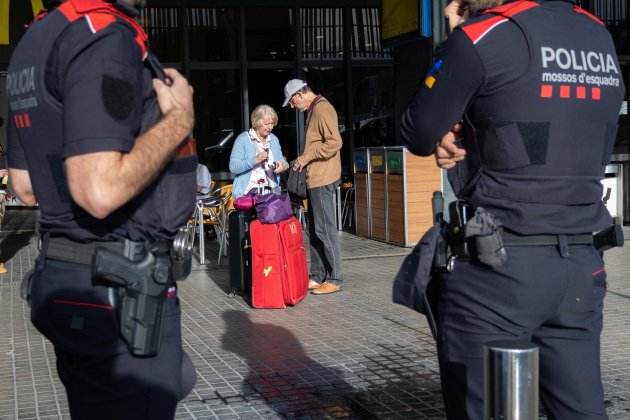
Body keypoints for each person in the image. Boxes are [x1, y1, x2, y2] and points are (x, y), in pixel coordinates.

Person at [401, 0, 624, 419]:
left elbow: (417, 130)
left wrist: (459, 34)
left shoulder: (480, 36)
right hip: (581, 262)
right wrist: (469, 125)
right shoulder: (597, 33)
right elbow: (545, 119)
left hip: (498, 268)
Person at [6, 0, 198, 418]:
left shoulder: (35, 40)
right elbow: (98, 190)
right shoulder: (104, 37)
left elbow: (23, 186)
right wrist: (179, 119)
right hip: (119, 287)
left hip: (74, 279)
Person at [283, 79, 343, 295]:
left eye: (291, 101)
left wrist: (306, 157)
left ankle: (335, 278)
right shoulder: (315, 109)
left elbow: (335, 142)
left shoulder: (322, 108)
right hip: (314, 178)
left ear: (300, 94)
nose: (291, 106)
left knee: (325, 229)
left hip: (323, 178)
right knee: (316, 231)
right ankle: (317, 276)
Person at [229, 104, 289, 198]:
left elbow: (284, 162)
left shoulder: (273, 139)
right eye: (266, 124)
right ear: (257, 123)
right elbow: (233, 167)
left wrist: (282, 166)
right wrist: (254, 160)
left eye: (272, 123)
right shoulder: (243, 139)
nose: (270, 127)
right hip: (248, 194)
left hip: (271, 194)